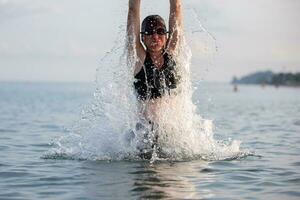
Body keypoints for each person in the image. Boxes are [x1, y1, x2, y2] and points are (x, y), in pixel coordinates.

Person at [127, 0, 182, 158]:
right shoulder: (139, 59)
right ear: (142, 37)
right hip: (144, 133)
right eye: (149, 32)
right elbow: (132, 11)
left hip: (171, 132)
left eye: (160, 31)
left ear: (166, 36)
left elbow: (176, 7)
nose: (155, 36)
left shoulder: (173, 54)